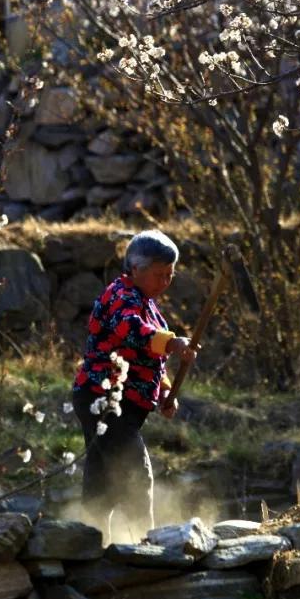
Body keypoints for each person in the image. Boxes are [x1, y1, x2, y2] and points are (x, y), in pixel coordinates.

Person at [71, 229, 198, 539]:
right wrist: (172, 344)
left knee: (101, 475)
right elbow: (131, 331)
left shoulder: (151, 308)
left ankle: (92, 537)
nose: (166, 281)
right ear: (136, 269)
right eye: (159, 274)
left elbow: (150, 361)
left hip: (123, 403)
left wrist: (165, 390)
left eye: (170, 274)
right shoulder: (120, 295)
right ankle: (143, 541)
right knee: (134, 471)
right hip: (103, 397)